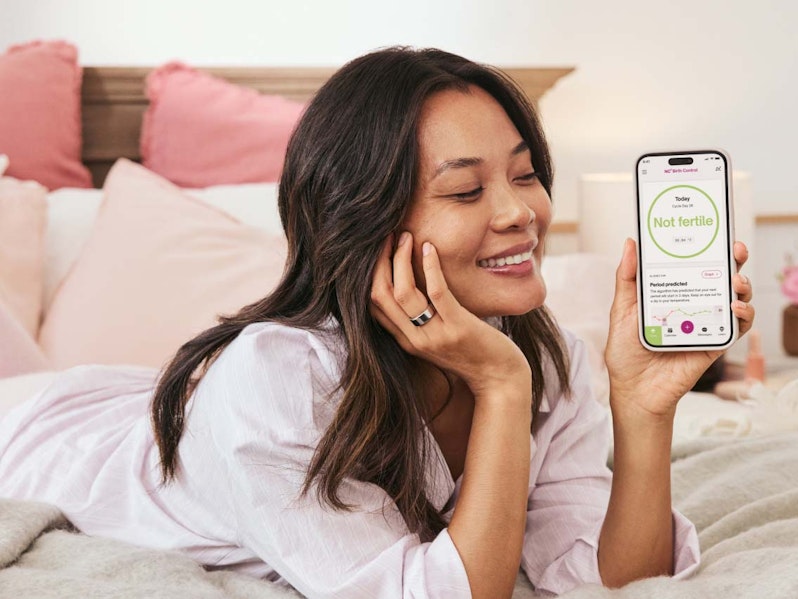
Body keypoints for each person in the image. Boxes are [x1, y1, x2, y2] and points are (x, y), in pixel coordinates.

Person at [0, 47, 754, 598]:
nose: (520, 213)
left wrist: (644, 410)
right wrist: (498, 385)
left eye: (525, 174)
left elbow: (612, 575)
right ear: (367, 222)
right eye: (466, 192)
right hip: (40, 432)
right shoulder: (277, 380)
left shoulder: (537, 350)